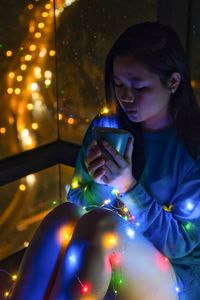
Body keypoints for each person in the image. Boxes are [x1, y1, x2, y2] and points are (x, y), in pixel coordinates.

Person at [11, 22, 200, 300]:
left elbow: (179, 244)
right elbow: (77, 208)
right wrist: (100, 183)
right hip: (107, 259)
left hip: (172, 276)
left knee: (103, 225)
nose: (125, 97)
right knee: (62, 215)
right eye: (119, 84)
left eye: (139, 87)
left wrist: (127, 187)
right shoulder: (108, 129)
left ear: (172, 82)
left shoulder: (191, 146)